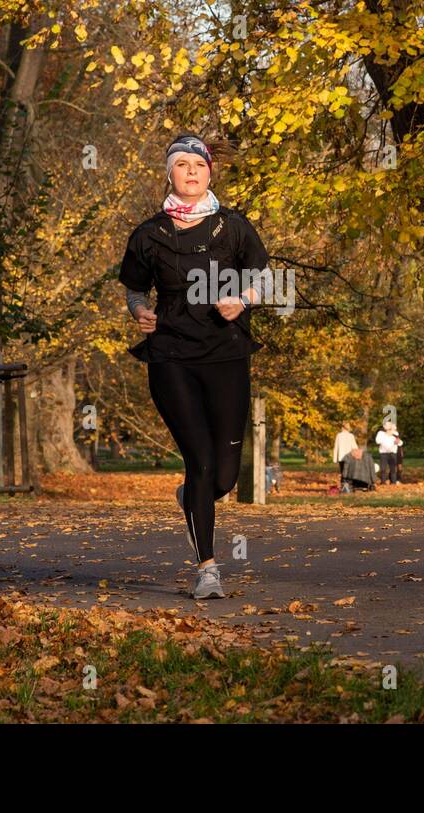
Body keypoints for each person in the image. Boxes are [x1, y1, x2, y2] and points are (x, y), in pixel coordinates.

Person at [119, 132, 271, 600]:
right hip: (170, 355)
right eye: (181, 164)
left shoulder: (233, 227)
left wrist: (242, 301)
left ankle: (193, 499)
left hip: (226, 352)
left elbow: (265, 277)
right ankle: (207, 567)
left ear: (210, 173)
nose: (190, 171)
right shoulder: (148, 234)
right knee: (200, 461)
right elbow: (134, 290)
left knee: (223, 475)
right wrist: (140, 312)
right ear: (169, 173)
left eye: (198, 165)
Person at [375, 419, 402, 485]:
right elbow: (377, 441)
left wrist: (397, 441)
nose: (389, 426)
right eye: (387, 425)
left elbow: (400, 443)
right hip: (383, 453)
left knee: (393, 469)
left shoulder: (395, 433)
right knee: (383, 469)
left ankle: (393, 482)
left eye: (390, 424)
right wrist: (387, 435)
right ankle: (383, 482)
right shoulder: (380, 433)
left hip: (392, 453)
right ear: (384, 426)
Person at [332, 421, 357, 491]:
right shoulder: (351, 436)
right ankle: (349, 486)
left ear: (342, 427)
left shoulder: (339, 435)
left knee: (343, 472)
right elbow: (354, 447)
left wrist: (334, 459)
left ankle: (343, 487)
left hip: (341, 457)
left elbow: (336, 447)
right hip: (350, 457)